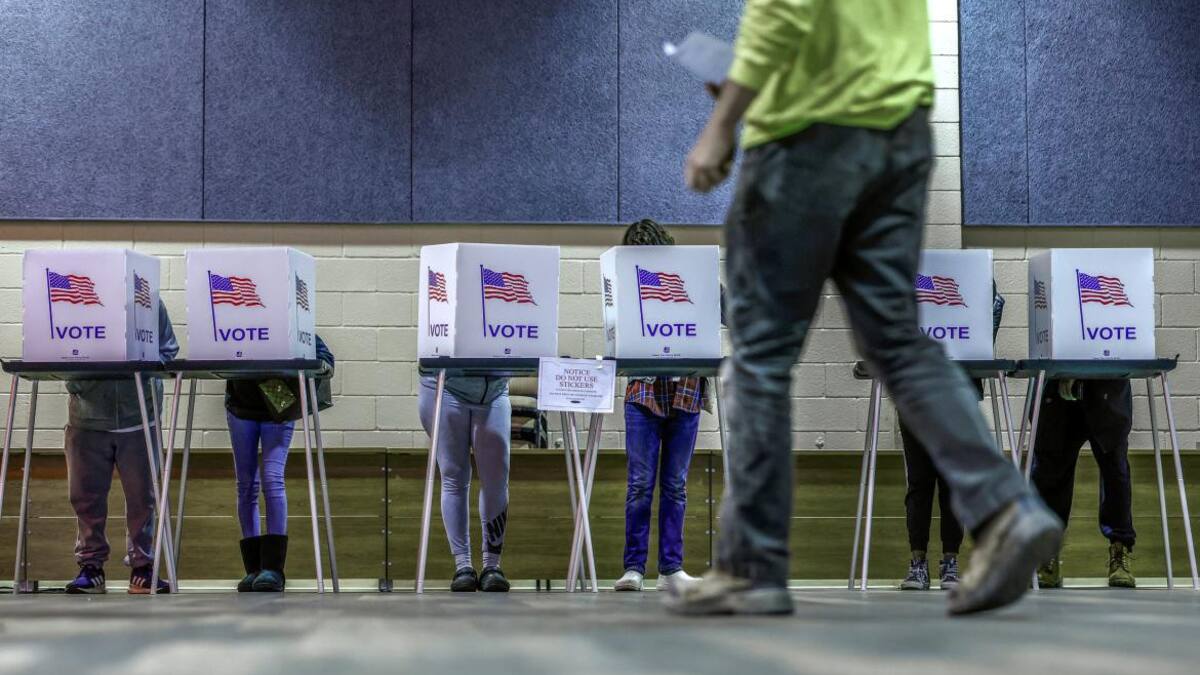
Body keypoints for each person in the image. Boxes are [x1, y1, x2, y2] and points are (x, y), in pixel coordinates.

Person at [671, 0, 1063, 616]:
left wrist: (722, 121)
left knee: (759, 354)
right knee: (897, 341)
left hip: (807, 137)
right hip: (900, 131)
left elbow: (785, 10)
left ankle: (751, 565)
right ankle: (1005, 509)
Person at [613, 219, 706, 593]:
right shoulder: (624, 284)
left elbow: (728, 313)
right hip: (644, 392)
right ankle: (634, 567)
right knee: (639, 485)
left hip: (685, 389)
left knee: (675, 485)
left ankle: (670, 568)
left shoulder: (691, 278)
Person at [64, 301, 178, 594]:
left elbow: (168, 350)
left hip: (138, 417)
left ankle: (143, 567)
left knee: (143, 498)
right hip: (88, 416)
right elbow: (58, 348)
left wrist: (138, 370)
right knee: (85, 497)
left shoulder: (149, 302)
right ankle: (91, 568)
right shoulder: (75, 304)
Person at [898, 284, 1005, 591]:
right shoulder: (907, 292)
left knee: (951, 484)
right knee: (920, 482)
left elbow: (988, 327)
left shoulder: (980, 291)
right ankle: (918, 561)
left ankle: (950, 561)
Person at [228, 335, 335, 592]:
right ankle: (253, 569)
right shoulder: (233, 321)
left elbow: (325, 357)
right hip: (241, 404)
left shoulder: (285, 320)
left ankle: (273, 568)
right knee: (246, 485)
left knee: (271, 479)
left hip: (277, 404)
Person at [1030, 379, 1136, 588]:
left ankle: (1119, 550)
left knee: (1116, 472)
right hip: (1057, 381)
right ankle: (1047, 555)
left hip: (1106, 384)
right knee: (1050, 472)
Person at [418, 374, 512, 592]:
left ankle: (492, 566)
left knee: (496, 478)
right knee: (453, 475)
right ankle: (463, 566)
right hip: (444, 385)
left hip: (494, 388)